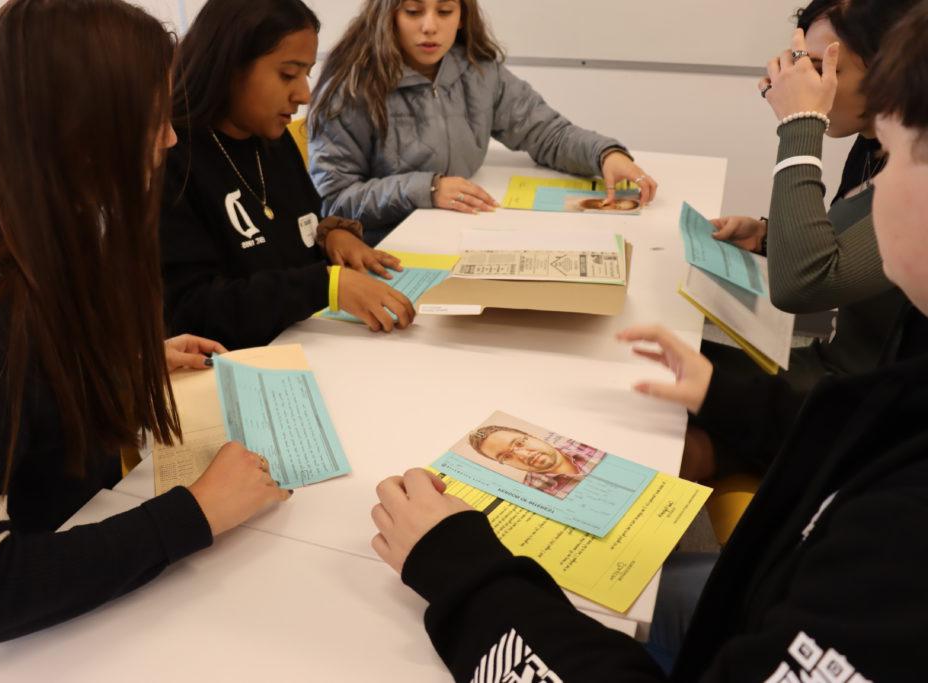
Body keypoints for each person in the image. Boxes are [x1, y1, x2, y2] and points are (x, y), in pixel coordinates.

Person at [369, 6, 928, 679]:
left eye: (894, 157)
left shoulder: (898, 537)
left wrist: (467, 576)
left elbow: (811, 276)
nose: (879, 183)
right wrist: (729, 396)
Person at [0, 0, 290, 655]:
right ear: (82, 127)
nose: (170, 138)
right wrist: (194, 513)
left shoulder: (48, 231)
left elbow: (30, 400)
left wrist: (120, 367)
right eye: (153, 116)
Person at [687, 0, 921, 482]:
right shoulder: (874, 144)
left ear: (889, 67)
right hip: (830, 370)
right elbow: (852, 240)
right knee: (672, 359)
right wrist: (770, 236)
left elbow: (804, 286)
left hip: (868, 409)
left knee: (679, 398)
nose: (797, 84)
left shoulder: (915, 170)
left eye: (820, 68)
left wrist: (800, 126)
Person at [161, 0, 415, 347]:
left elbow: (298, 227)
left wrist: (330, 237)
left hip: (303, 341)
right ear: (228, 65)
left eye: (307, 73)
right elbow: (193, 310)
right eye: (287, 75)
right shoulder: (169, 156)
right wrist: (325, 285)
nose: (304, 94)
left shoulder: (270, 137)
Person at [307, 0, 658, 244]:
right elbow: (333, 202)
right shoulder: (352, 87)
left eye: (445, 11)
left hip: (459, 232)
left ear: (462, 16)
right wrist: (426, 189)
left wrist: (605, 155)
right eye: (413, 11)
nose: (430, 26)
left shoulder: (478, 70)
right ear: (388, 15)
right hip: (388, 247)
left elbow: (545, 132)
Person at [467, 425, 601, 499]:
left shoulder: (590, 442)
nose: (524, 455)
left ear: (532, 436)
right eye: (506, 457)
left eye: (519, 443)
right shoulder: (533, 496)